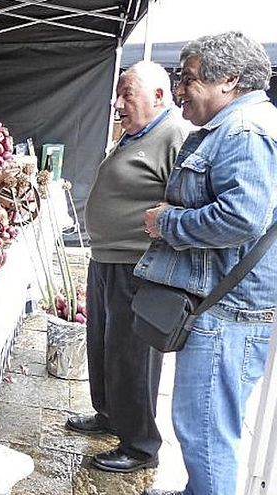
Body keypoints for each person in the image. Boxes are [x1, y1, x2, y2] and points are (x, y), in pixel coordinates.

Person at [137, 32, 276, 495]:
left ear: (230, 80)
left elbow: (242, 217)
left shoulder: (244, 132)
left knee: (207, 431)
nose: (180, 90)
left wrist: (168, 223)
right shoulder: (240, 126)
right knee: (203, 426)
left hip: (230, 310)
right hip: (227, 304)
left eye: (190, 79)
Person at [66, 61, 190, 473]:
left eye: (127, 96)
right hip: (106, 260)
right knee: (103, 344)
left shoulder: (175, 135)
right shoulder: (135, 133)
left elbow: (190, 200)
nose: (117, 104)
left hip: (137, 266)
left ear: (158, 95)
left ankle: (140, 445)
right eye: (117, 95)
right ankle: (109, 417)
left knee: (131, 356)